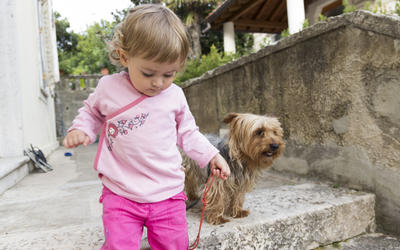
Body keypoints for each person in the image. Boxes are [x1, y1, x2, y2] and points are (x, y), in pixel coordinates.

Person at [62, 4, 230, 250]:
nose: (159, 83)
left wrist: (211, 155)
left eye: (169, 74)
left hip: (168, 193)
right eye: (149, 73)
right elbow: (91, 111)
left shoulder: (175, 96)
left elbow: (188, 133)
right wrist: (81, 129)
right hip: (120, 192)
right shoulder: (109, 88)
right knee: (119, 245)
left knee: (174, 245)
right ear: (124, 56)